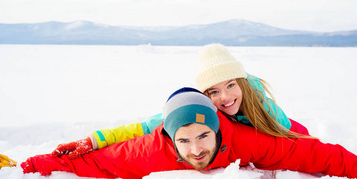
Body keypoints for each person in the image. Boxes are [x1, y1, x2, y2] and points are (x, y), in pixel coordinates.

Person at [0, 87, 357, 179]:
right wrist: (24, 167)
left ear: (218, 129)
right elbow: (88, 162)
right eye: (184, 141)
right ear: (169, 138)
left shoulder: (242, 140)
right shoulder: (150, 150)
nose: (197, 150)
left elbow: (315, 155)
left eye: (204, 136)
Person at [48, 43, 311, 160]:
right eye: (214, 91)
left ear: (241, 82)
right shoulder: (202, 110)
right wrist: (96, 140)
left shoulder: (262, 106)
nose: (226, 97)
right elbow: (147, 127)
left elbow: (294, 138)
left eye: (231, 85)